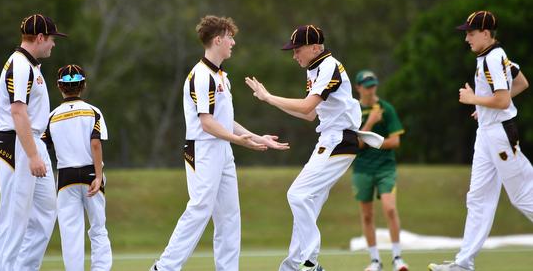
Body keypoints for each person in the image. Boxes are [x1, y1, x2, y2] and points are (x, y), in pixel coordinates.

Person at [150, 15, 289, 271]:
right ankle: (164, 268)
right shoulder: (201, 75)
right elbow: (207, 123)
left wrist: (259, 138)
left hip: (222, 150)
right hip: (202, 149)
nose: (233, 42)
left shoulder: (222, 77)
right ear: (217, 40)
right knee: (200, 209)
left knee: (229, 216)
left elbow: (226, 122)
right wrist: (239, 141)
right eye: (230, 38)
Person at [246, 24, 369, 271]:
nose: (294, 55)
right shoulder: (314, 68)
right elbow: (310, 114)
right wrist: (270, 100)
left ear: (315, 47)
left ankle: (311, 262)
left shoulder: (328, 66)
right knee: (307, 203)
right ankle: (292, 266)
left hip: (338, 140)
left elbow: (304, 107)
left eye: (297, 49)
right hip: (328, 139)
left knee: (297, 195)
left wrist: (269, 97)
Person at [428, 11, 533, 271]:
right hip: (487, 132)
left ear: (486, 33)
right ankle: (463, 264)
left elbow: (503, 100)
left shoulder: (494, 58)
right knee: (477, 198)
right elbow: (520, 82)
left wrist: (475, 100)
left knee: (522, 195)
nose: (466, 38)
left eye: (471, 33)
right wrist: (485, 108)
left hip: (499, 134)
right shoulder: (491, 55)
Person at [0, 14, 66, 271]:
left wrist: (37, 151)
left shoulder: (31, 66)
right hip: (18, 143)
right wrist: (33, 155)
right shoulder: (20, 65)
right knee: (14, 217)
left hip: (32, 142)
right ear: (40, 37)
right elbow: (17, 112)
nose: (53, 45)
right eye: (52, 40)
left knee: (46, 211)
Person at [41, 64, 112, 271]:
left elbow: (43, 147)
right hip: (91, 173)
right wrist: (98, 177)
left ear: (59, 86)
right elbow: (96, 143)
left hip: (65, 177)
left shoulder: (52, 116)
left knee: (70, 232)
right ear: (84, 85)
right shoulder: (93, 112)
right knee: (98, 228)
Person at [352, 70, 408, 271]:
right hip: (362, 170)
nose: (371, 89)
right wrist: (370, 123)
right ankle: (375, 260)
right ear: (358, 87)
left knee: (390, 209)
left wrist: (372, 142)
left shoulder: (386, 108)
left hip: (386, 168)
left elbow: (395, 141)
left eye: (373, 85)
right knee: (367, 216)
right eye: (367, 86)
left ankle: (397, 258)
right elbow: (355, 146)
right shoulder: (353, 110)